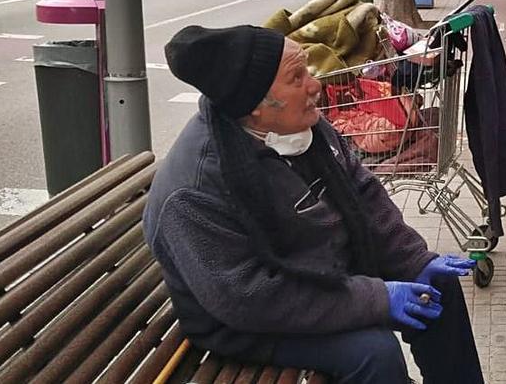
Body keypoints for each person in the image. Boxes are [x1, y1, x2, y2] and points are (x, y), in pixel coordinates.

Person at [143, 25, 485, 384]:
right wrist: (376, 298)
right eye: (296, 77)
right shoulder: (194, 191)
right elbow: (248, 298)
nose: (314, 84)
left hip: (314, 270)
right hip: (244, 320)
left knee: (437, 289)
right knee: (373, 351)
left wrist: (414, 259)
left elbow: (364, 195)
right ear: (256, 105)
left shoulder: (304, 129)